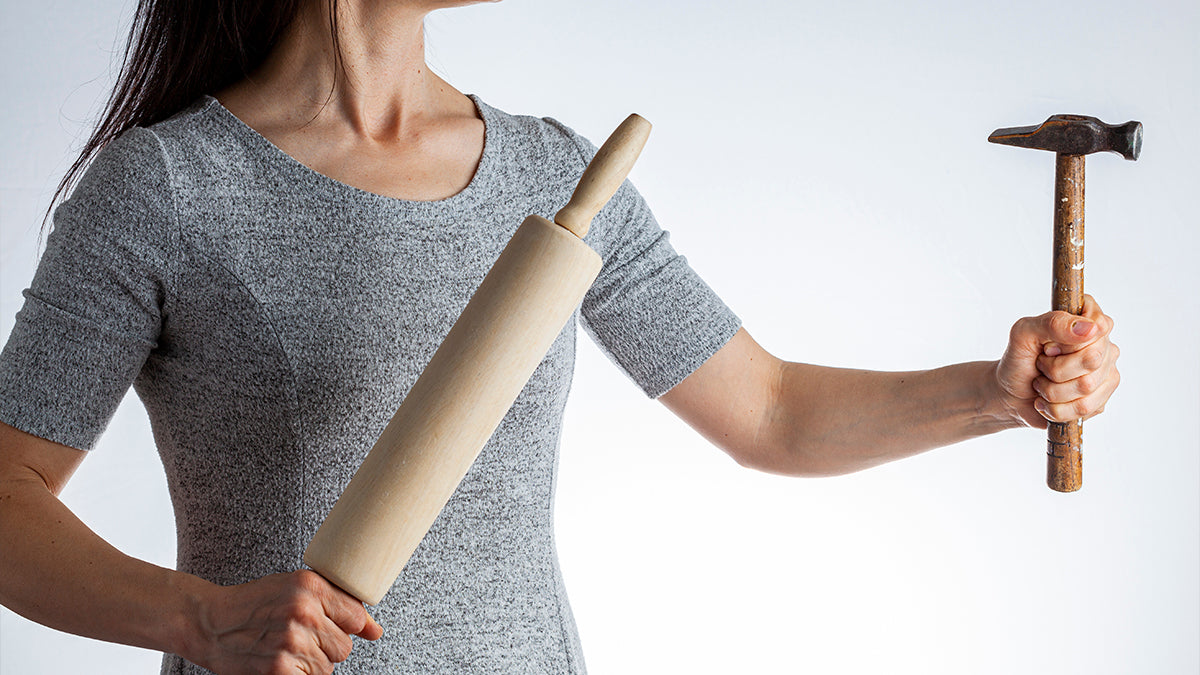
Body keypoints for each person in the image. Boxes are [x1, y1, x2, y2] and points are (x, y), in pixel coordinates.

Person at [0, 0, 1120, 673]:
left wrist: (999, 391)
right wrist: (197, 618)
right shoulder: (166, 188)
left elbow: (771, 412)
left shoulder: (555, 175)